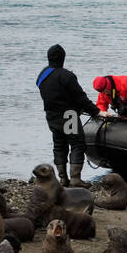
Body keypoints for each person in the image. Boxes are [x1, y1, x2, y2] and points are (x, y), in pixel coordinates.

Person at [37, 44, 101, 187]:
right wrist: (96, 112)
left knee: (59, 145)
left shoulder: (42, 76)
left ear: (49, 58)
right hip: (68, 116)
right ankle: (75, 179)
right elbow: (80, 98)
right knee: (77, 144)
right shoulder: (66, 76)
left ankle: (62, 178)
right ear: (63, 58)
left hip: (51, 116)